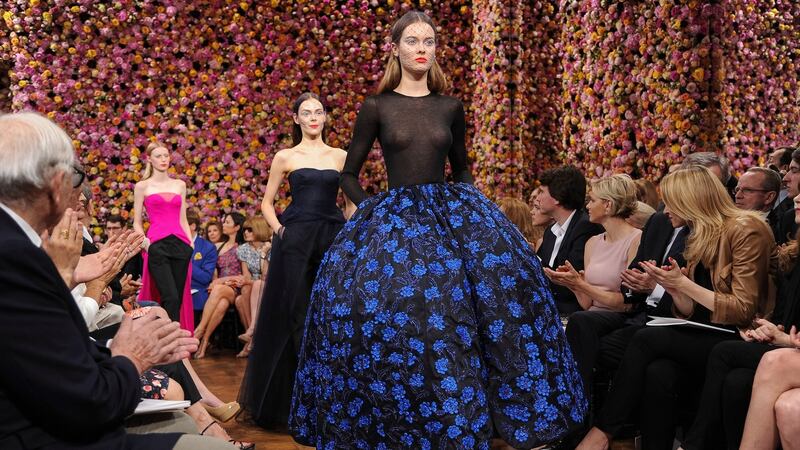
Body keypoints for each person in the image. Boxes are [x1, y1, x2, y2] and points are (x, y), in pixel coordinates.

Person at [289, 12, 587, 449]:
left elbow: (462, 168)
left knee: (473, 307)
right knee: (393, 310)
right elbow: (348, 173)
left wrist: (479, 216)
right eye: (412, 40)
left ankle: (469, 416)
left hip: (449, 214)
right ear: (395, 47)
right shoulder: (377, 106)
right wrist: (374, 209)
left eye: (428, 40)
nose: (421, 48)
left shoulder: (450, 106)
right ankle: (401, 416)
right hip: (394, 219)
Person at [0, 111, 234, 449]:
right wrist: (131, 355)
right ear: (54, 185)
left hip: (56, 405)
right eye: (76, 176)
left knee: (180, 416)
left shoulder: (20, 246)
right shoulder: (17, 257)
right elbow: (89, 402)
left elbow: (48, 352)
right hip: (47, 434)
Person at [577, 166, 776, 450]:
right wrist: (672, 287)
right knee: (660, 372)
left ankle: (602, 433)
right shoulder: (699, 233)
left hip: (738, 335)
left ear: (690, 199)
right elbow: (688, 310)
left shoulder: (745, 229)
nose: (664, 210)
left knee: (646, 338)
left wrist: (682, 285)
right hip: (707, 331)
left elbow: (742, 310)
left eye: (670, 201)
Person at [239, 92, 352, 430]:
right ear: (296, 119)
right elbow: (266, 203)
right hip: (296, 238)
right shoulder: (285, 156)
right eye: (307, 112)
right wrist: (280, 231)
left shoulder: (340, 156)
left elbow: (350, 202)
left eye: (319, 111)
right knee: (295, 315)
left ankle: (328, 401)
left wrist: (351, 229)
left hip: (332, 238)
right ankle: (295, 402)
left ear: (325, 117)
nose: (314, 117)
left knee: (329, 314)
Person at [545, 174, 641, 312]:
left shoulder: (636, 240)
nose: (588, 206)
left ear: (608, 205)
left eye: (592, 200)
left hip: (618, 320)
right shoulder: (592, 243)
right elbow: (587, 304)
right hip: (589, 318)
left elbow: (627, 304)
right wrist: (573, 283)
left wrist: (582, 285)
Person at [133, 141, 194, 332]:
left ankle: (173, 345)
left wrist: (190, 243)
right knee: (170, 296)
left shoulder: (180, 185)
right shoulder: (142, 186)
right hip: (157, 245)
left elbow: (183, 218)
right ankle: (167, 342)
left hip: (181, 245)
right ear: (149, 159)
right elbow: (136, 221)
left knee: (177, 297)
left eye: (166, 155)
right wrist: (146, 244)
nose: (163, 159)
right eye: (158, 156)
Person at [536, 166, 604, 314]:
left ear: (558, 198)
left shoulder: (586, 227)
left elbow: (570, 280)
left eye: (542, 192)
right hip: (551, 307)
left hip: (573, 310)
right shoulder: (550, 231)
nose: (537, 198)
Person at [193, 212, 245, 358]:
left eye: (228, 222)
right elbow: (214, 270)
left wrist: (220, 281)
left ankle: (200, 329)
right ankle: (205, 341)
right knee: (221, 304)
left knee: (218, 289)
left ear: (237, 227)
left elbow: (243, 275)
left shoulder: (242, 247)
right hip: (219, 288)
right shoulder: (218, 246)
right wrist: (214, 281)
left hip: (235, 287)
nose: (224, 224)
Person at [233, 216, 271, 358]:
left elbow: (266, 276)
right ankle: (252, 338)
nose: (246, 233)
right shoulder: (243, 249)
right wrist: (246, 281)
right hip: (253, 284)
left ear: (259, 230)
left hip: (269, 284)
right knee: (240, 298)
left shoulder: (270, 247)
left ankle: (251, 335)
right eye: (245, 230)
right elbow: (246, 275)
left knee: (258, 284)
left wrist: (263, 255)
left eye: (250, 230)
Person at [186, 208, 218, 313]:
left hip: (195, 293)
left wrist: (185, 261)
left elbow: (205, 277)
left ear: (193, 226)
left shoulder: (208, 247)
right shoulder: (171, 245)